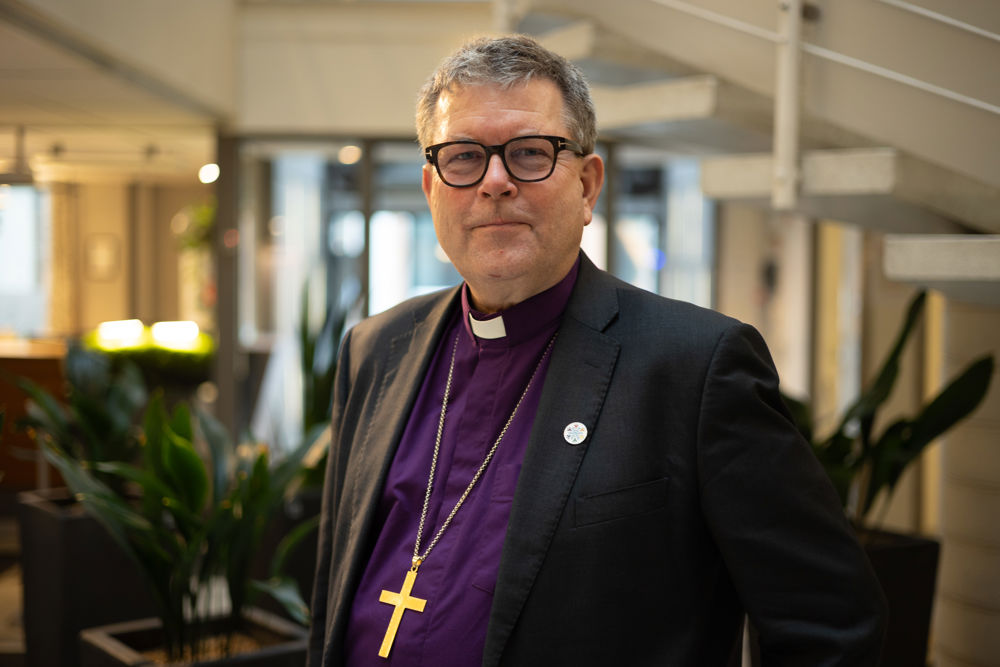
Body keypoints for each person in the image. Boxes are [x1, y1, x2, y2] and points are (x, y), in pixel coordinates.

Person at [308, 35, 886, 667]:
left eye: (529, 153)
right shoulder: (375, 350)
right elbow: (332, 596)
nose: (495, 182)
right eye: (464, 157)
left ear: (587, 186)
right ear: (431, 189)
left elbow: (832, 629)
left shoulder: (696, 369)